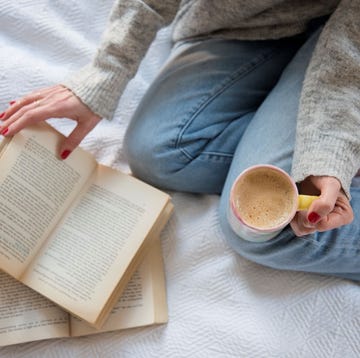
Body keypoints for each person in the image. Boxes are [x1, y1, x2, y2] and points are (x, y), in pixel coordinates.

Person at [1, 1, 359, 280]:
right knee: (156, 151)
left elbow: (350, 45)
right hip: (243, 26)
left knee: (269, 232)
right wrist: (106, 72)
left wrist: (328, 151)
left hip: (346, 46)